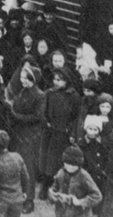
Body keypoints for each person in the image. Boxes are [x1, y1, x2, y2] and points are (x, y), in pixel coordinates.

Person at [39, 67, 81, 199]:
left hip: (63, 133)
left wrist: (72, 132)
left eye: (60, 80)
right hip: (50, 131)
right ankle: (44, 186)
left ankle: (58, 188)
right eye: (54, 79)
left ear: (67, 81)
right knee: (47, 161)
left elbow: (76, 117)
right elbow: (42, 111)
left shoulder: (73, 96)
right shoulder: (49, 93)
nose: (56, 82)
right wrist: (46, 122)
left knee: (59, 162)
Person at [9, 64, 45, 214]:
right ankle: (18, 195)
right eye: (22, 77)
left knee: (28, 167)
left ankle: (29, 200)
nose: (22, 80)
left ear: (33, 79)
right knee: (17, 165)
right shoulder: (22, 91)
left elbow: (38, 117)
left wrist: (16, 116)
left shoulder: (40, 95)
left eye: (25, 78)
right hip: (18, 132)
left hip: (30, 135)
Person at [0, 129, 30, 217]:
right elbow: (26, 177)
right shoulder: (17, 157)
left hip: (0, 202)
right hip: (16, 199)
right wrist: (24, 192)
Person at [48, 145, 102, 217]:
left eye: (73, 165)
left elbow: (97, 196)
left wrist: (81, 202)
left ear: (79, 164)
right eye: (67, 164)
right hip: (62, 213)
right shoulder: (60, 173)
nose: (70, 167)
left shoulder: (84, 176)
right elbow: (54, 187)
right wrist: (52, 194)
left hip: (80, 214)